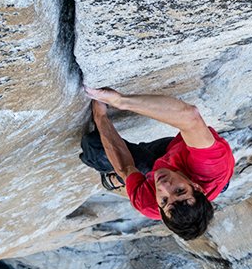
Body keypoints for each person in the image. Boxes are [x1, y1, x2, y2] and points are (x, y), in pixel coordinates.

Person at [80, 86, 234, 240]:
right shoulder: (210, 167)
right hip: (179, 155)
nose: (164, 186)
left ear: (159, 210)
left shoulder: (148, 204)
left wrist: (100, 116)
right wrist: (120, 101)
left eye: (165, 200)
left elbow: (125, 167)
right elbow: (190, 118)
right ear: (196, 187)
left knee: (95, 148)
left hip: (170, 165)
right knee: (155, 162)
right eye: (180, 191)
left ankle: (117, 181)